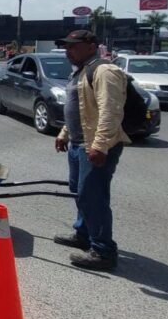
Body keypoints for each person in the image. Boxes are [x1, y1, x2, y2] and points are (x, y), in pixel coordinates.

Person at [52, 30, 131, 271]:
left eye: (74, 46)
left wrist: (100, 145)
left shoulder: (104, 71)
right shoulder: (80, 71)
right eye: (66, 46)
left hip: (94, 146)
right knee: (79, 191)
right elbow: (81, 109)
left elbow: (110, 111)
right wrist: (65, 133)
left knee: (93, 197)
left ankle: (103, 251)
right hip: (77, 143)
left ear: (92, 46)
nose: (68, 51)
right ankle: (83, 234)